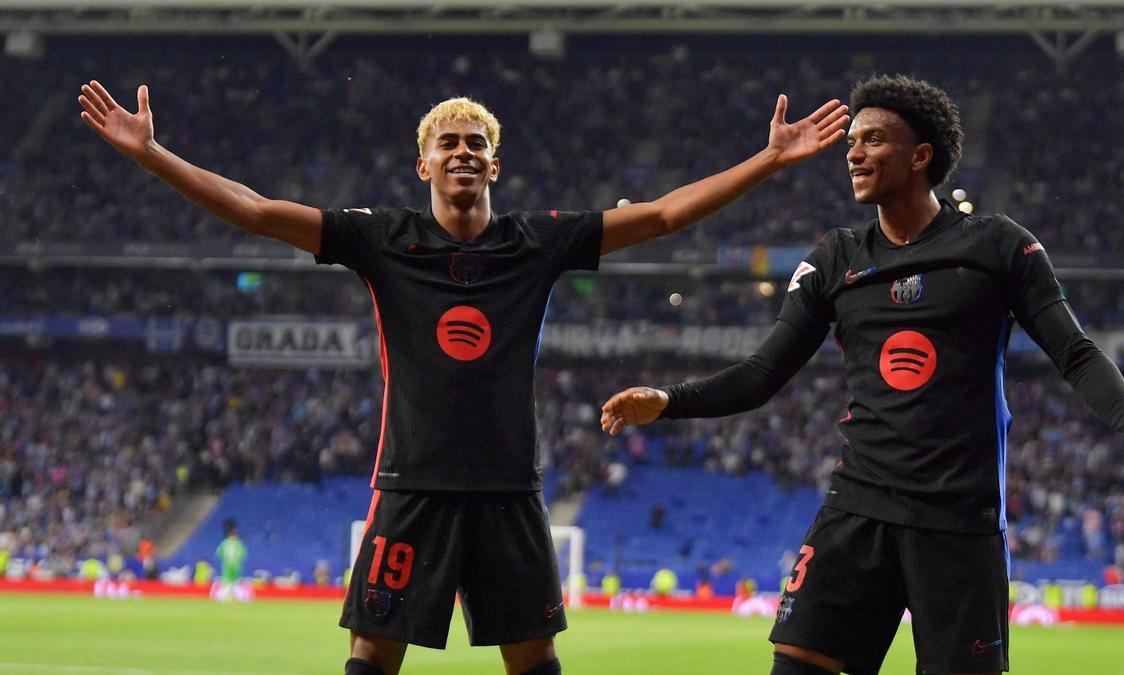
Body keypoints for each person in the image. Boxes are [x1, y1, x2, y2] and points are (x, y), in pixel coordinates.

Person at [78, 79, 848, 675]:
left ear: (495, 163)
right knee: (371, 660)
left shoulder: (536, 242)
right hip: (412, 484)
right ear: (424, 163)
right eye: (448, 142)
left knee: (534, 662)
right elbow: (253, 211)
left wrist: (770, 159)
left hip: (510, 488)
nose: (463, 151)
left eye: (476, 142)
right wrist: (151, 155)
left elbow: (665, 215)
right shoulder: (382, 239)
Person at [599, 74, 1124, 675]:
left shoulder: (999, 247)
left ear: (920, 157)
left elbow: (1077, 352)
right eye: (852, 140)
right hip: (858, 510)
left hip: (959, 521)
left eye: (874, 140)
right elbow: (761, 373)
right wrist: (668, 400)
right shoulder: (835, 258)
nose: (853, 152)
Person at [215, 518, 247, 601]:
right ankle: (241, 597)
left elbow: (218, 553)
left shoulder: (225, 543)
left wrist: (226, 558)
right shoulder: (238, 543)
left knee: (226, 582)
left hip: (227, 565)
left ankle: (220, 597)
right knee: (235, 583)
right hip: (236, 565)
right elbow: (243, 554)